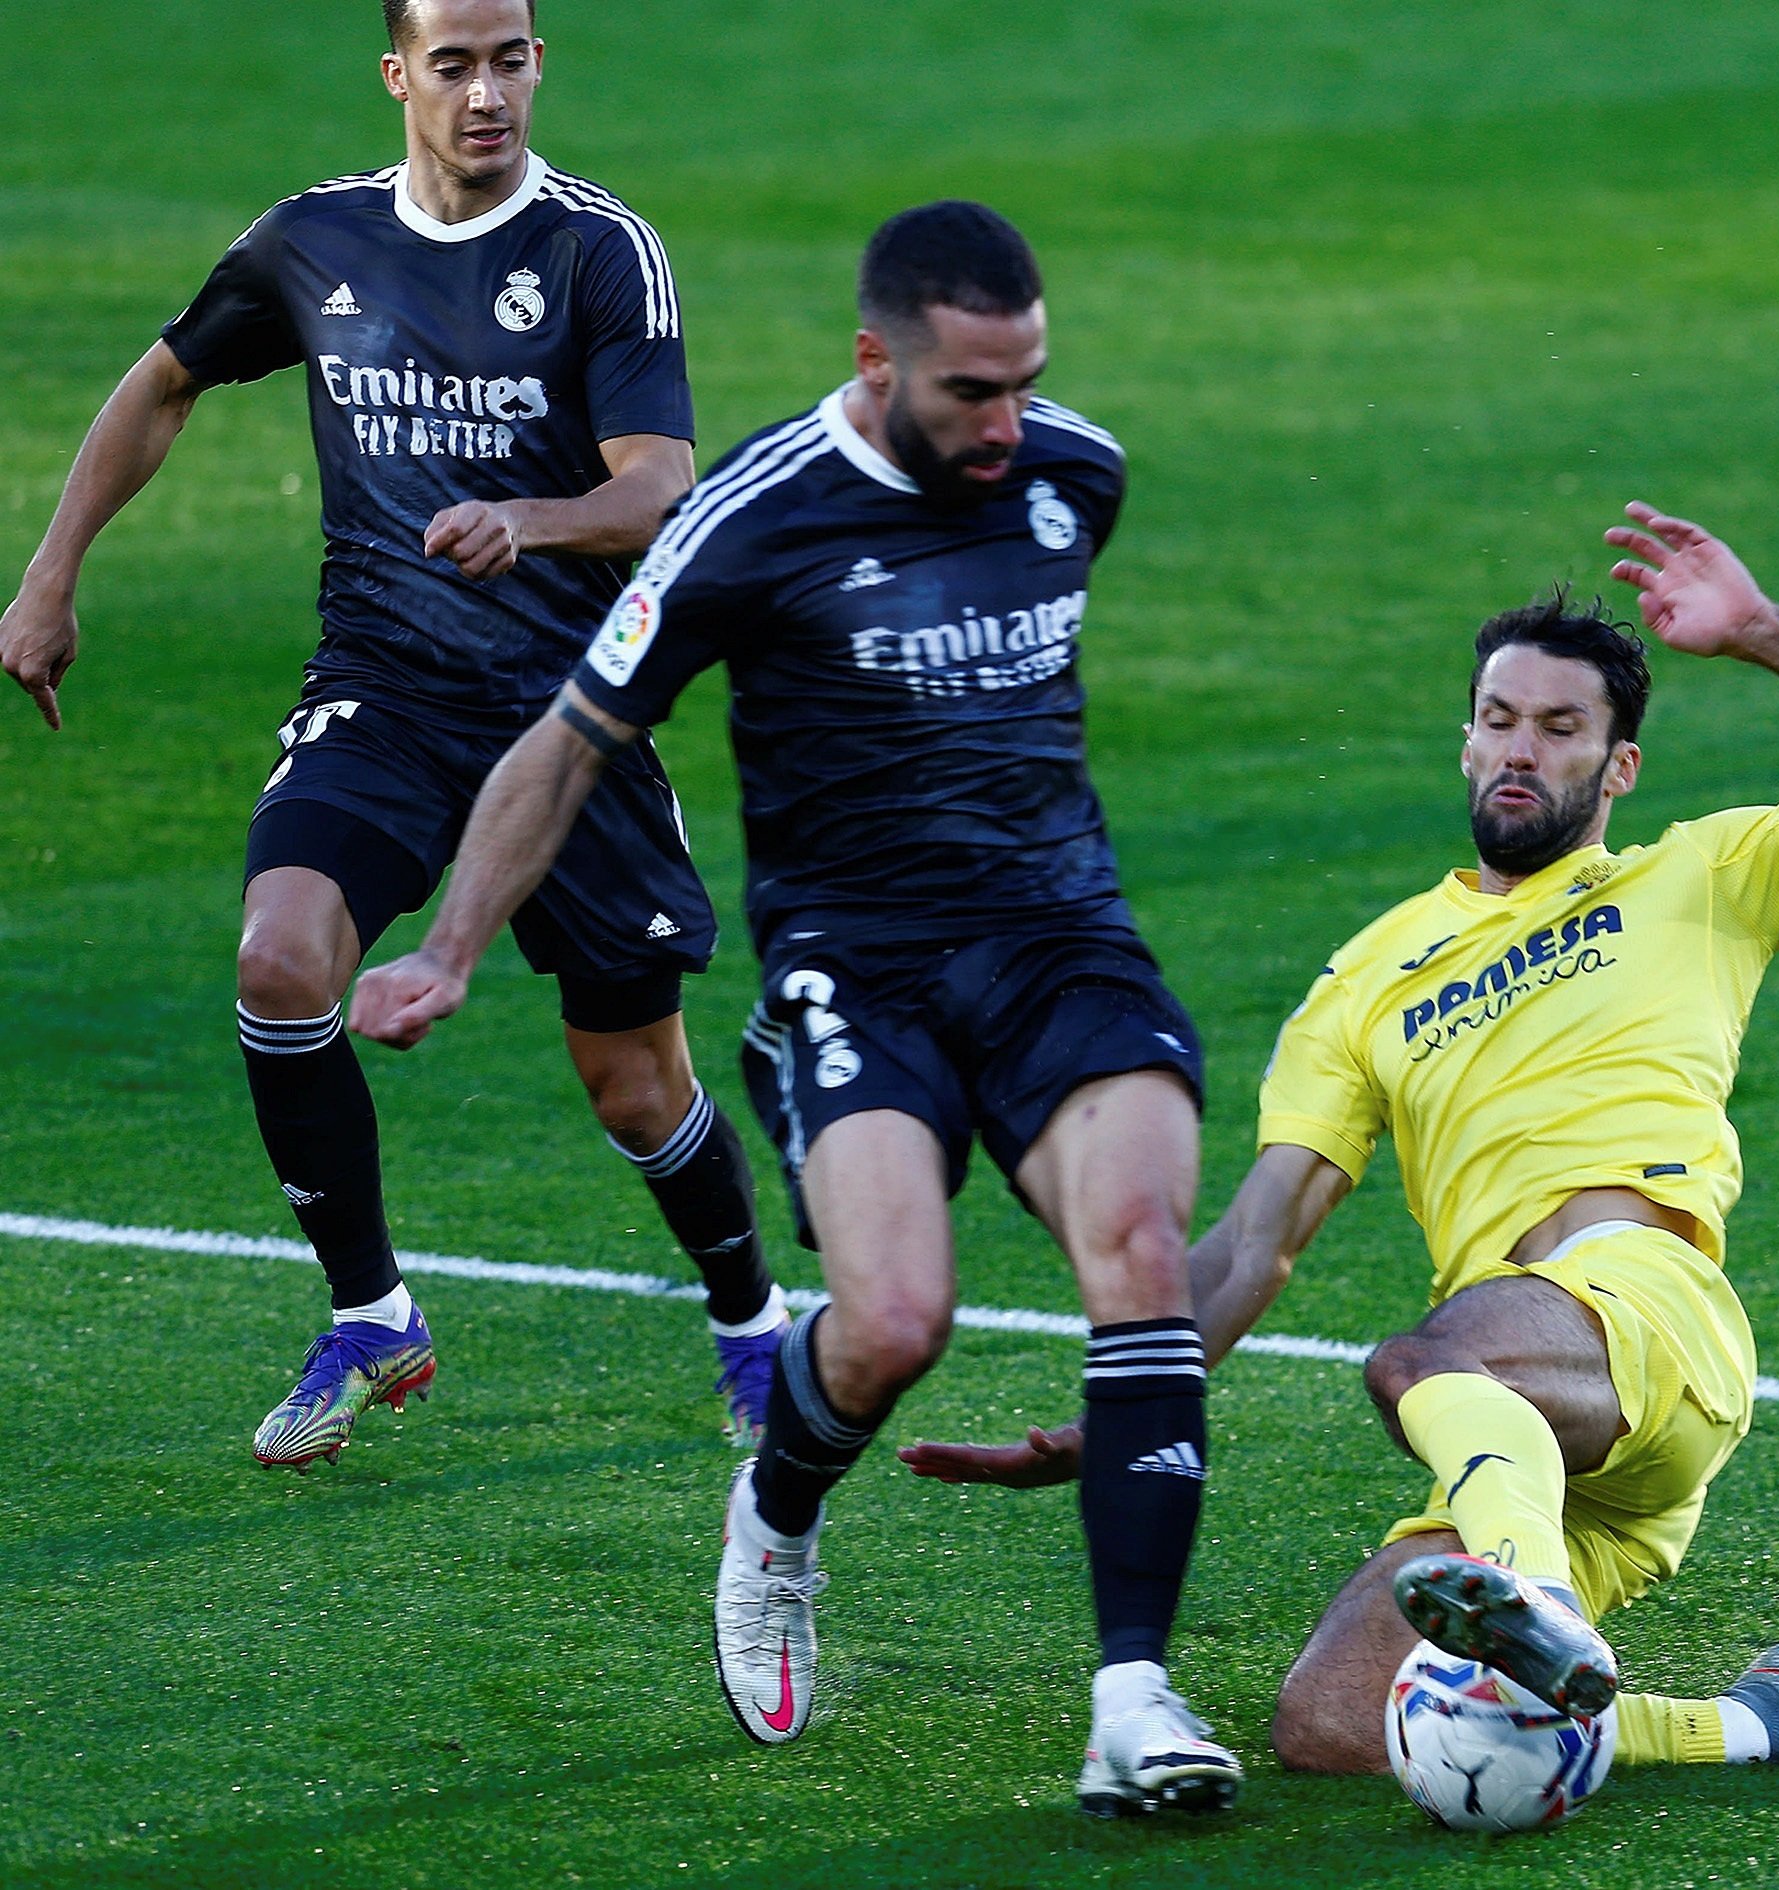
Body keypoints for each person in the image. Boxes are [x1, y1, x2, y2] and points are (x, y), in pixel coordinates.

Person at [351, 200, 1242, 1814]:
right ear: (874, 358)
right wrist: (450, 949)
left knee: (1145, 1254)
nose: (1007, 424)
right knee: (898, 1324)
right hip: (862, 966)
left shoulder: (1072, 475)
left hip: (1059, 944)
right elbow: (569, 743)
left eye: (1026, 381)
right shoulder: (754, 519)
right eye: (972, 390)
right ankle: (778, 1517)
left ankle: (1133, 1699)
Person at [907, 505, 1779, 1778]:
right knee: (1334, 1727)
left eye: (1559, 726)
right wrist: (1136, 1397)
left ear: (1621, 764)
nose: (1519, 751)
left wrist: (1765, 633)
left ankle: (1527, 1597)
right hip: (1511, 1428)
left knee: (1418, 1354)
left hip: (1641, 1327)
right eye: (1498, 721)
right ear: (1465, 740)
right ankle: (1768, 1721)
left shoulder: (1703, 878)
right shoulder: (1365, 981)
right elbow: (1256, 1242)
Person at [0, 0, 781, 1469]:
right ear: (398, 75)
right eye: (453, 64)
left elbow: (659, 485)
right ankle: (372, 1314)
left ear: (540, 62)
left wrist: (527, 521)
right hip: (385, 685)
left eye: (510, 59)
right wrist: (51, 575)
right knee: (280, 954)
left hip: (567, 716)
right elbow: (163, 378)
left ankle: (748, 1323)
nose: (486, 93)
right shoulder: (316, 242)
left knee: (632, 1078)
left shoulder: (598, 251)